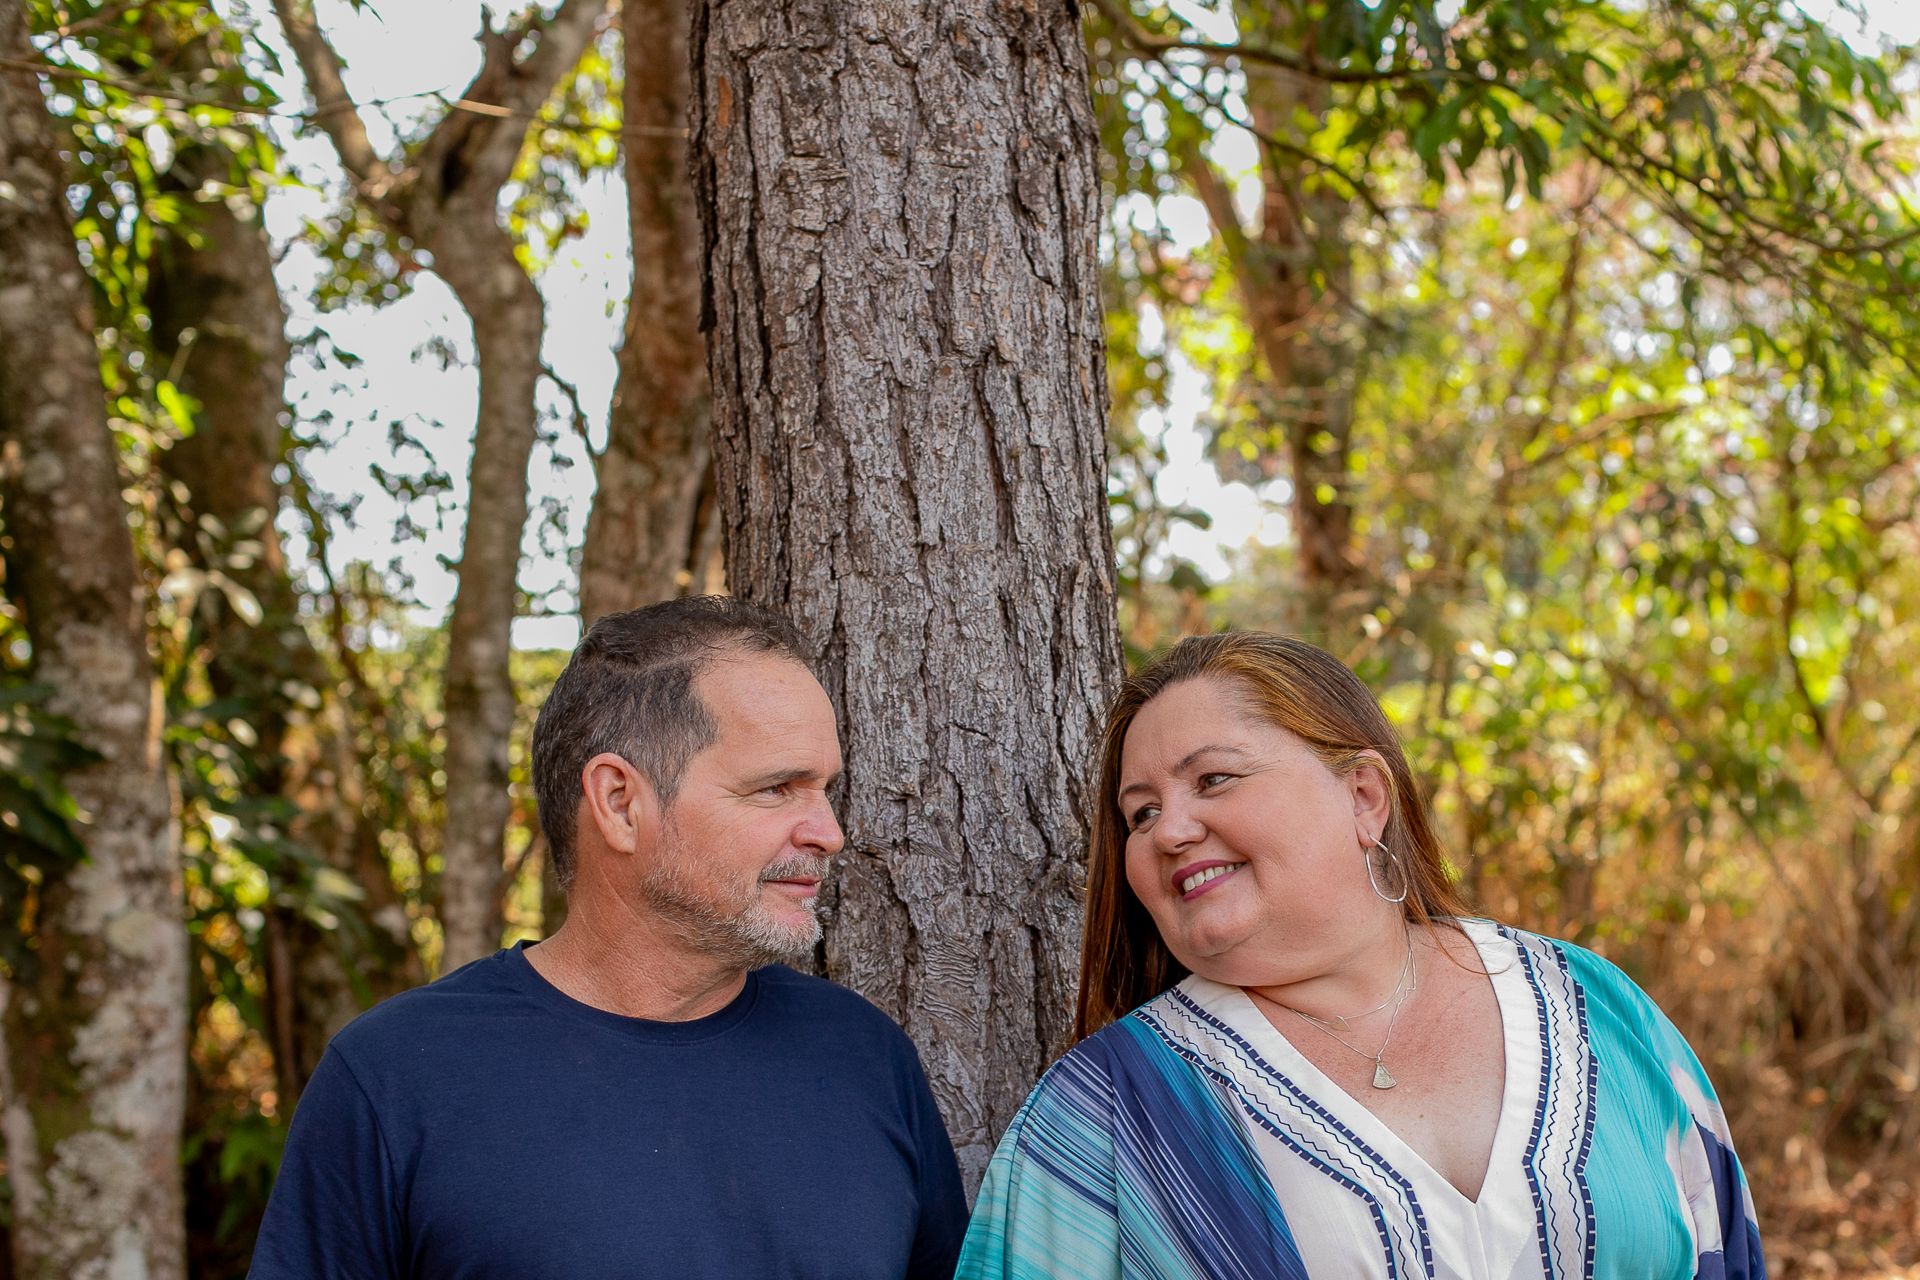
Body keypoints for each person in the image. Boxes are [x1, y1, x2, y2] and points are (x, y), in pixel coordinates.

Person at [957, 631, 1764, 1280]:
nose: (1168, 830)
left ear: (1364, 798)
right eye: (1139, 815)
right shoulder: (1108, 1113)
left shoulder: (1592, 1006)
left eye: (1214, 779)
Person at [250, 597, 968, 1280]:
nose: (829, 833)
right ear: (620, 803)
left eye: (824, 790)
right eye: (776, 789)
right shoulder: (397, 1080)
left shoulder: (865, 1060)